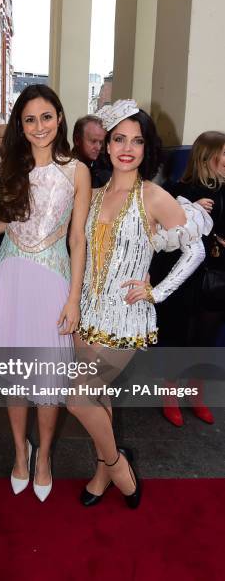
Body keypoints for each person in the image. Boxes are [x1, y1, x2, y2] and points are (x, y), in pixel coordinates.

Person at [71, 99, 211, 509]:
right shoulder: (93, 196)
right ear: (106, 145)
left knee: (78, 397)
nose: (126, 148)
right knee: (98, 398)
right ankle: (101, 474)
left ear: (147, 148)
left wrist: (157, 290)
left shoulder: (153, 196)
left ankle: (117, 466)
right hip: (88, 313)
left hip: (127, 318)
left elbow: (195, 251)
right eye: (118, 139)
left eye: (136, 140)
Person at [0, 84, 90, 501]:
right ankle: (19, 451)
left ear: (60, 118)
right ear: (20, 125)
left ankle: (44, 454)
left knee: (47, 377)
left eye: (46, 116)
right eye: (29, 119)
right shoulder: (6, 167)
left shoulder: (77, 170)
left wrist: (74, 298)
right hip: (10, 275)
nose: (39, 126)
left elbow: (79, 239)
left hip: (53, 278)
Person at [154, 131, 225, 426]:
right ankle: (169, 395)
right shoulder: (176, 189)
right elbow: (166, 236)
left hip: (217, 279)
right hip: (183, 278)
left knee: (204, 341)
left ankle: (197, 395)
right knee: (176, 337)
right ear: (208, 157)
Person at [72, 114, 110, 188]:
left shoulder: (104, 165)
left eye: (101, 142)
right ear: (77, 140)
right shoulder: (65, 170)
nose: (98, 147)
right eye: (93, 141)